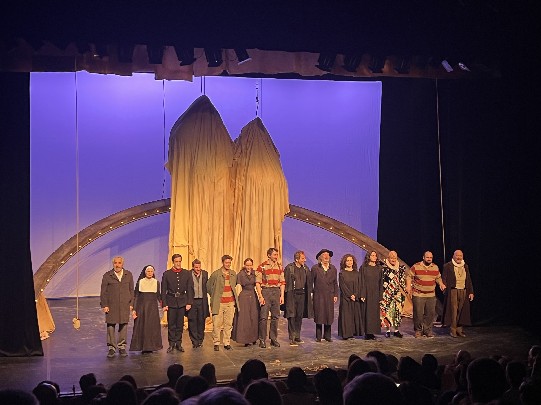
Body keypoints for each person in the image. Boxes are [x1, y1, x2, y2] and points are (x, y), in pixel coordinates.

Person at [406, 251, 446, 338]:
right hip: (418, 294)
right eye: (427, 257)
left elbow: (438, 277)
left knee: (430, 314)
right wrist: (408, 286)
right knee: (418, 314)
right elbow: (409, 276)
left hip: (431, 295)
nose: (429, 259)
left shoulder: (435, 267)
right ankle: (418, 330)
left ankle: (427, 331)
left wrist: (441, 284)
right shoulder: (416, 266)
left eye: (431, 258)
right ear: (423, 257)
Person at [100, 256, 134, 358]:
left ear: (122, 264)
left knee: (123, 324)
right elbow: (103, 292)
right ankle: (111, 347)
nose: (117, 265)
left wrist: (131, 303)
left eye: (119, 263)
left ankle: (122, 346)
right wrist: (104, 305)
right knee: (111, 325)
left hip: (124, 304)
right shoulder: (107, 275)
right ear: (113, 264)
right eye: (115, 263)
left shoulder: (128, 275)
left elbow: (131, 290)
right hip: (112, 305)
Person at [161, 253, 194, 353]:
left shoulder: (186, 273)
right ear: (173, 262)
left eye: (179, 261)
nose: (178, 263)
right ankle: (171, 344)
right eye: (176, 261)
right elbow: (163, 290)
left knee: (180, 324)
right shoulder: (167, 274)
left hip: (182, 302)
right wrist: (164, 304)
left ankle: (178, 344)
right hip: (171, 302)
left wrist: (189, 302)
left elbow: (190, 289)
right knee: (171, 324)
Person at [207, 254, 239, 351]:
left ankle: (226, 342)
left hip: (230, 303)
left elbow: (234, 285)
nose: (228, 264)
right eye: (226, 262)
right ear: (222, 262)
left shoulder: (233, 274)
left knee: (228, 324)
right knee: (217, 324)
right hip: (219, 303)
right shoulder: (216, 274)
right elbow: (208, 286)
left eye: (229, 263)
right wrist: (215, 296)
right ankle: (216, 342)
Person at [256, 247, 285, 348]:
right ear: (269, 255)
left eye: (277, 255)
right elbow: (258, 283)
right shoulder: (262, 266)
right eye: (274, 255)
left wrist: (282, 295)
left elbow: (282, 282)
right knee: (263, 317)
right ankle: (262, 339)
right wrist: (260, 296)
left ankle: (273, 339)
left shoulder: (279, 267)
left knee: (275, 317)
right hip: (266, 291)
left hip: (276, 291)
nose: (276, 257)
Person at [129, 265, 162, 353]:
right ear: (145, 272)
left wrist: (164, 304)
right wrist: (134, 309)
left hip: (153, 308)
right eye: (148, 271)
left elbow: (158, 295)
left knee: (152, 327)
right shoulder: (141, 282)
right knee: (142, 326)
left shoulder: (156, 282)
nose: (150, 273)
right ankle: (143, 346)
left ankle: (151, 346)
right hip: (142, 308)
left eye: (151, 271)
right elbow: (136, 296)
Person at [441, 250, 474, 338]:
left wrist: (471, 292)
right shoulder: (448, 266)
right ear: (453, 256)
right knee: (453, 311)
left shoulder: (465, 266)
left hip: (463, 290)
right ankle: (453, 330)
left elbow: (469, 279)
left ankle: (459, 330)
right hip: (453, 290)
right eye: (457, 255)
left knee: (461, 310)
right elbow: (444, 278)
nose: (458, 257)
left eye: (460, 256)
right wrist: (444, 287)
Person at [283, 250, 313, 346]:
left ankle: (297, 336)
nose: (305, 260)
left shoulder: (305, 268)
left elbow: (309, 281)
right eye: (303, 258)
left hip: (302, 294)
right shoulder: (289, 268)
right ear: (297, 259)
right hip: (292, 294)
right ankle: (292, 337)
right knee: (292, 315)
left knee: (299, 316)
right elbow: (285, 282)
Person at [311, 249, 338, 342]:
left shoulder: (333, 268)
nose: (326, 256)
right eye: (324, 255)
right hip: (319, 295)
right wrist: (311, 294)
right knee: (319, 314)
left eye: (328, 255)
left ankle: (327, 336)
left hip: (329, 295)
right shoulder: (315, 268)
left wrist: (335, 294)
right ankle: (318, 336)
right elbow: (311, 282)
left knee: (328, 315)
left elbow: (335, 283)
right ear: (320, 257)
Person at [380, 250, 407, 338]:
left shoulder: (400, 269)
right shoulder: (384, 268)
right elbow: (381, 281)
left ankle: (396, 330)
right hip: (387, 293)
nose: (393, 259)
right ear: (388, 258)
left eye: (395, 258)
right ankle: (387, 330)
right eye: (391, 258)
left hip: (397, 294)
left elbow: (402, 281)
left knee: (397, 312)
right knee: (387, 312)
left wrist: (405, 290)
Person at [232, 258, 259, 346]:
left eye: (250, 265)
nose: (248, 267)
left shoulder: (255, 273)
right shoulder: (241, 274)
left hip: (253, 296)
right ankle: (246, 339)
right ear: (244, 265)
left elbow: (258, 283)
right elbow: (234, 285)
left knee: (253, 316)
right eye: (247, 265)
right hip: (244, 297)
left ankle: (254, 338)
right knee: (245, 318)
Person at [360, 250, 383, 340]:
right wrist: (362, 294)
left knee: (374, 313)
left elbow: (381, 282)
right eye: (372, 255)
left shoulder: (379, 268)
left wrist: (380, 296)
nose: (374, 257)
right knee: (367, 313)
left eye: (375, 255)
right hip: (367, 292)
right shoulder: (364, 267)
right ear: (368, 256)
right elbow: (361, 281)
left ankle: (372, 332)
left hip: (376, 293)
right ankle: (367, 333)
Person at [337, 254, 361, 340]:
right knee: (346, 316)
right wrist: (350, 295)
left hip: (355, 298)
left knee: (354, 315)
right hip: (346, 298)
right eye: (347, 260)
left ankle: (352, 333)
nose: (349, 262)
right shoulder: (342, 273)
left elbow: (359, 285)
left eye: (351, 260)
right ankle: (346, 334)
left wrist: (355, 294)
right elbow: (342, 286)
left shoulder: (357, 273)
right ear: (344, 262)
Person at [187, 259, 210, 349]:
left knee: (201, 321)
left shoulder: (205, 274)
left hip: (202, 301)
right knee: (192, 321)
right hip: (192, 301)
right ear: (193, 267)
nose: (198, 269)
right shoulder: (188, 274)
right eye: (196, 267)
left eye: (199, 267)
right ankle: (194, 341)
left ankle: (200, 340)